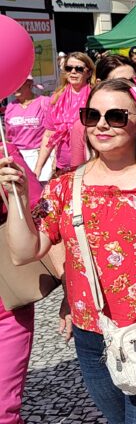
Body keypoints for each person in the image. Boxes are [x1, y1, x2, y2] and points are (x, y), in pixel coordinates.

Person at [0, 78, 136, 424]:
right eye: (92, 115)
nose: (101, 124)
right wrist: (18, 199)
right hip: (92, 336)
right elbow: (23, 252)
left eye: (116, 116)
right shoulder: (64, 186)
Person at [0, 142, 45, 424]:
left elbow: (39, 213)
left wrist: (13, 193)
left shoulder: (3, 153)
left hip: (6, 305)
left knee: (3, 411)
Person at [69, 55, 136, 169]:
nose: (130, 87)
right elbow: (76, 170)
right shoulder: (82, 126)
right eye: (120, 82)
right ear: (99, 83)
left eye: (133, 81)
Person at [35, 52, 95, 179]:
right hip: (63, 167)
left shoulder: (95, 97)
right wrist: (38, 168)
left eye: (79, 69)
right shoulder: (56, 98)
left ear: (89, 73)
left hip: (90, 166)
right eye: (69, 68)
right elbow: (48, 135)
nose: (73, 72)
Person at [6, 76, 52, 181]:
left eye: (18, 84)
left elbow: (52, 132)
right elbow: (8, 137)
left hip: (40, 156)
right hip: (18, 158)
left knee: (42, 192)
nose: (15, 87)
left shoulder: (44, 102)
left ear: (30, 85)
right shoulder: (10, 107)